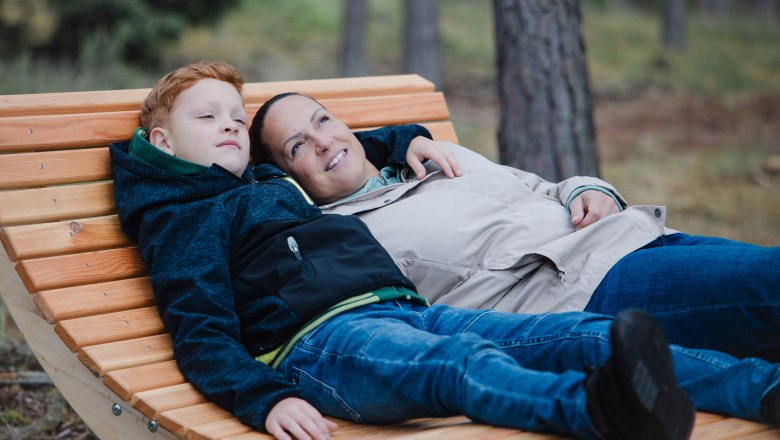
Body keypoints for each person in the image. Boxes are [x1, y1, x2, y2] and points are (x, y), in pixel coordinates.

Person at [109, 61, 780, 440]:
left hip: (400, 311)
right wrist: (262, 399)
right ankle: (599, 413)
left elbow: (351, 147)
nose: (227, 123)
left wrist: (402, 137)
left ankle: (764, 388)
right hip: (319, 345)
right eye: (208, 117)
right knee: (459, 364)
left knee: (587, 335)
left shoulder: (264, 181)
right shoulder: (183, 217)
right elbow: (200, 330)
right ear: (164, 146)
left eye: (233, 114)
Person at [250, 92, 780, 361]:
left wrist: (587, 189)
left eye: (322, 119)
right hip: (582, 292)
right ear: (284, 174)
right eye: (297, 145)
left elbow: (542, 187)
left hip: (638, 237)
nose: (321, 141)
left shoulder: (433, 155)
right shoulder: (338, 236)